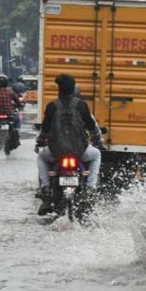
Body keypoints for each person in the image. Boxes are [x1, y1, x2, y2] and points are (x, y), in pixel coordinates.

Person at [35, 74, 102, 215]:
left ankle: (46, 189)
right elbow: (91, 127)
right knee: (97, 155)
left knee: (41, 157)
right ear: (73, 89)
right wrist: (97, 140)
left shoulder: (52, 106)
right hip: (80, 151)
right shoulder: (82, 105)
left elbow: (45, 130)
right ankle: (90, 188)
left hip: (56, 152)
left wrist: (40, 141)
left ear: (59, 89)